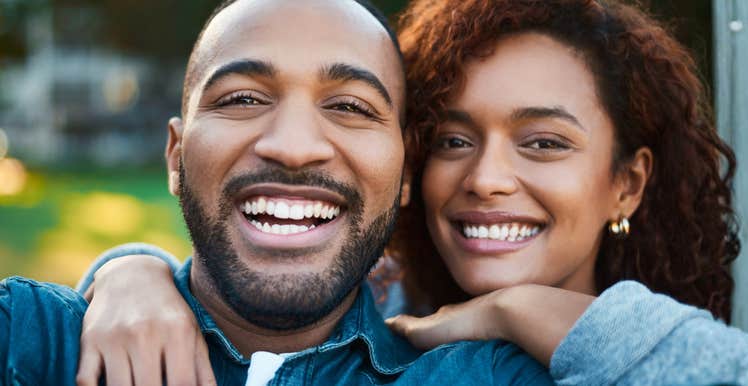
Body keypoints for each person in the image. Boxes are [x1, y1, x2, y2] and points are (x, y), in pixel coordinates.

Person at [76, 0, 748, 385]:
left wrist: (519, 312)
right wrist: (131, 273)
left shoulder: (661, 357)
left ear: (627, 184)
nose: (487, 178)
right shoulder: (379, 311)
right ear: (408, 170)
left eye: (543, 142)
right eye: (454, 139)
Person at [0, 1, 555, 385]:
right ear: (175, 156)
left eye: (349, 107)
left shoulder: (490, 376)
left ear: (407, 173)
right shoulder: (31, 340)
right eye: (242, 98)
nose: (293, 147)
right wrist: (128, 269)